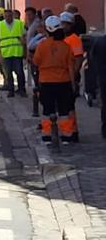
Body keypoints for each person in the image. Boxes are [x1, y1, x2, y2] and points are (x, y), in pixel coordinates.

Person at [34, 16, 77, 144]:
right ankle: (66, 136)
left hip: (46, 82)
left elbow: (36, 61)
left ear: (47, 30)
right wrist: (73, 84)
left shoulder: (42, 45)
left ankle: (47, 135)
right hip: (64, 82)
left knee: (48, 110)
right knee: (64, 110)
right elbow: (70, 66)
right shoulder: (66, 46)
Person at [0, 8, 27, 98]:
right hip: (6, 53)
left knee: (19, 72)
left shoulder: (19, 24)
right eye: (6, 16)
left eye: (10, 16)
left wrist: (25, 50)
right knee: (8, 73)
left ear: (13, 16)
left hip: (17, 52)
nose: (8, 18)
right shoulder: (0, 25)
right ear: (4, 16)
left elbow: (24, 37)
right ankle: (11, 91)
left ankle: (21, 89)